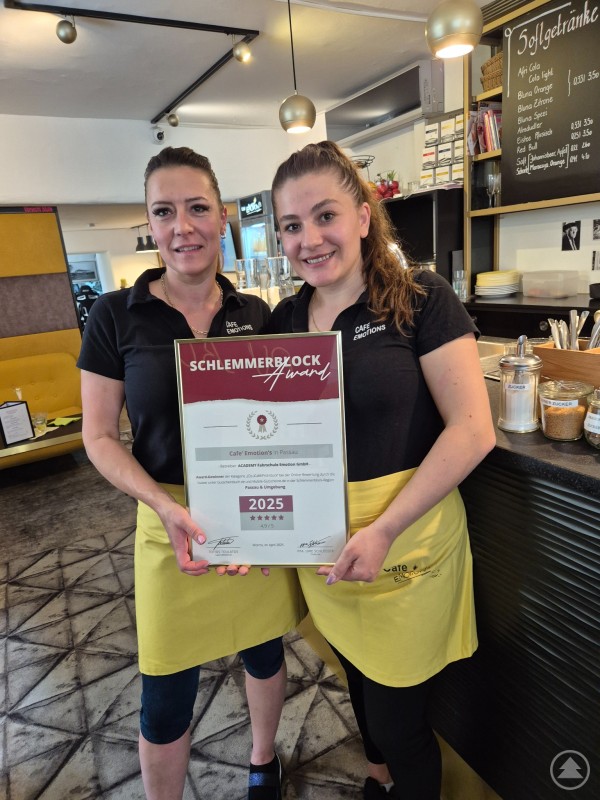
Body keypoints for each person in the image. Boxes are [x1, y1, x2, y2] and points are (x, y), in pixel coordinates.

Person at [268, 141, 495, 800]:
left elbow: (473, 430)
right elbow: (273, 442)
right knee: (357, 687)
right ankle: (378, 783)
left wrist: (385, 528)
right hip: (329, 556)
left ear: (365, 216)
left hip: (406, 549)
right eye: (291, 225)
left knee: (401, 725)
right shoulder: (284, 321)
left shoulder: (424, 298)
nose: (308, 239)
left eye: (325, 216)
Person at [77, 146, 305, 800]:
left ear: (223, 216)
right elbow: (98, 437)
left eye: (198, 207)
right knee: (165, 693)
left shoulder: (256, 316)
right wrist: (162, 504)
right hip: (165, 521)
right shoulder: (114, 317)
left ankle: (264, 761)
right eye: (164, 211)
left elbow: (276, 425)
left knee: (264, 651)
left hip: (249, 513)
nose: (183, 225)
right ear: (151, 224)